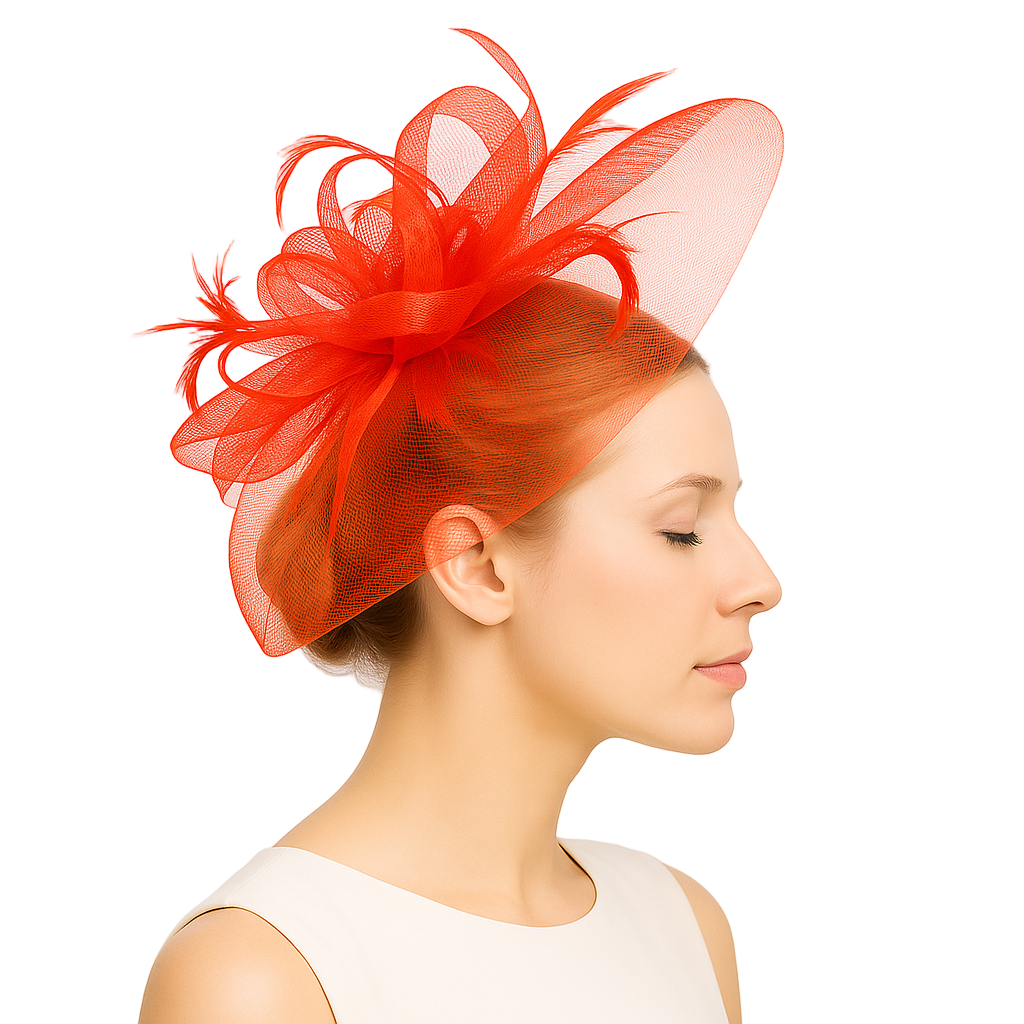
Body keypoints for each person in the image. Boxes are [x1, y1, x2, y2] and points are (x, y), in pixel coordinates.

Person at [139, 29, 783, 1024]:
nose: (761, 582)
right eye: (682, 528)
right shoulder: (264, 977)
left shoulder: (685, 926)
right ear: (476, 564)